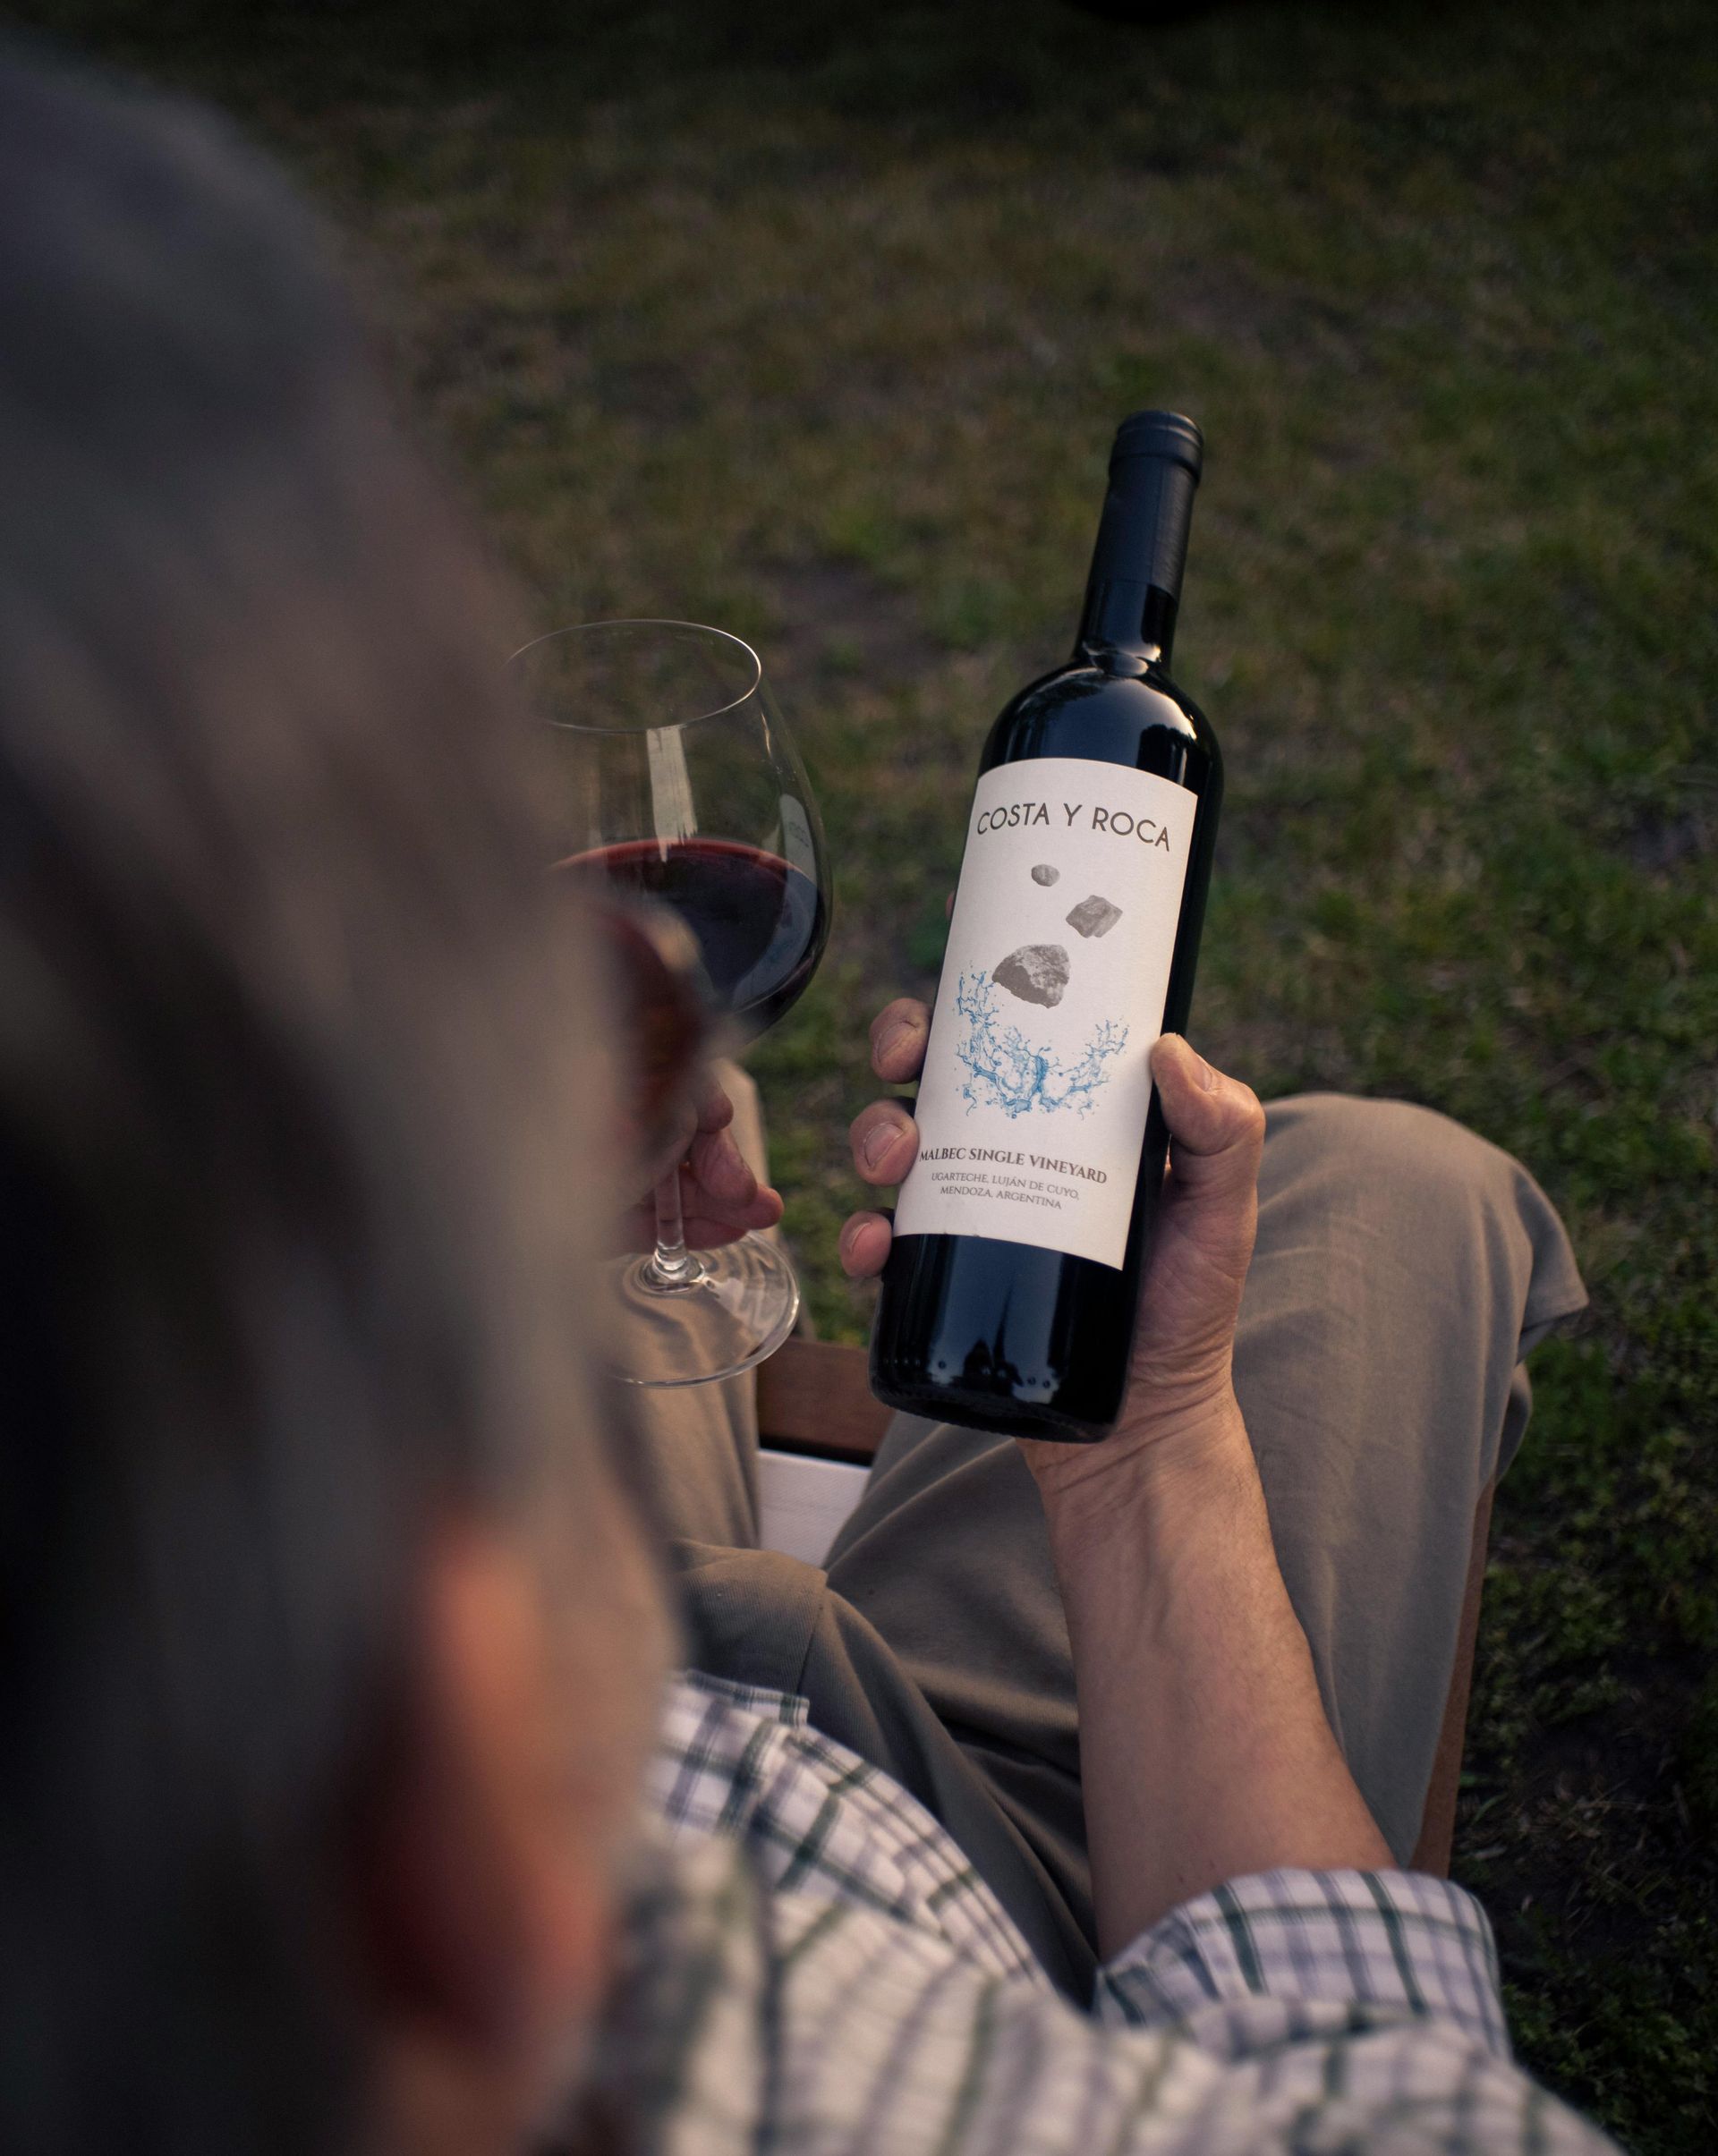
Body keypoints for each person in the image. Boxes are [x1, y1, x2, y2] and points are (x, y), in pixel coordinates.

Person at [0, 38, 1616, 2156]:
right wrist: (1149, 1463)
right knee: (1383, 1180)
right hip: (919, 1825)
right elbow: (1382, 2094)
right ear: (451, 1811)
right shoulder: (795, 2001)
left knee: (696, 1238)